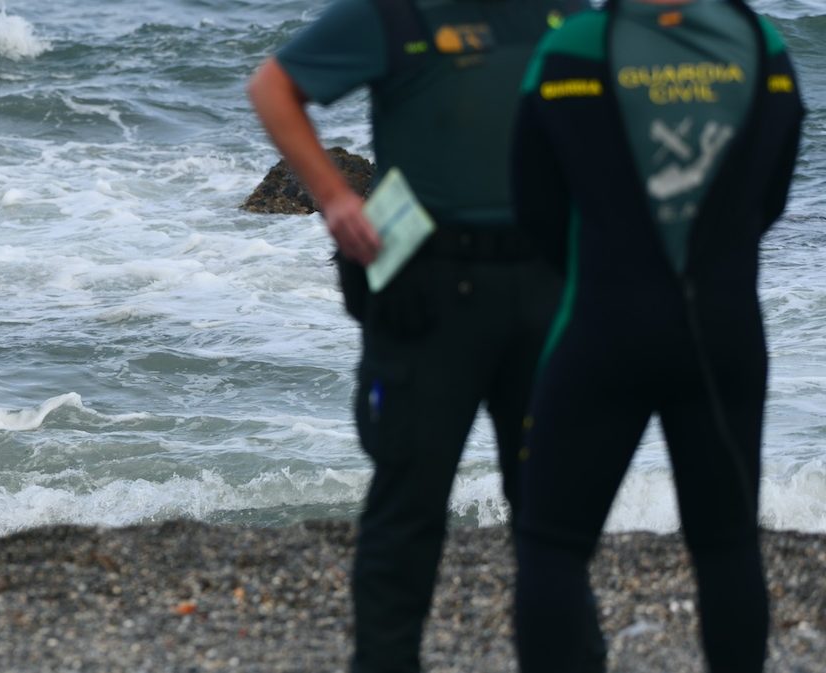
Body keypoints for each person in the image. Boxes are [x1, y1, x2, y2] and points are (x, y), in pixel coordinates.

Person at [247, 1, 592, 671]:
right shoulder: (395, 11)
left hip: (546, 284)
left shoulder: (568, 10)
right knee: (408, 509)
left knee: (552, 517)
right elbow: (274, 86)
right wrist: (336, 196)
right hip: (431, 290)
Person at [510, 1, 805, 671]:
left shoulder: (575, 46)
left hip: (603, 325)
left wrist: (613, 269)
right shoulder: (764, 44)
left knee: (553, 542)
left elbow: (533, 201)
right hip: (724, 329)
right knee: (727, 543)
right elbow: (774, 192)